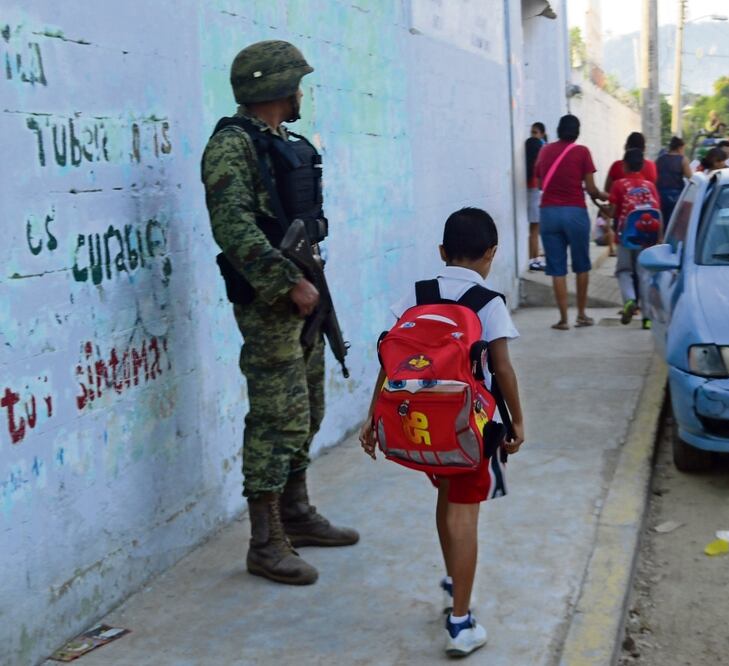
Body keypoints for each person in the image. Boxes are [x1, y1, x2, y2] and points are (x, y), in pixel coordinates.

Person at [201, 40, 359, 587]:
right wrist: (286, 281)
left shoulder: (281, 143)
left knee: (307, 407)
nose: (300, 95)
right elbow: (233, 226)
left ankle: (296, 513)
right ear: (276, 87)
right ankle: (265, 543)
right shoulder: (231, 146)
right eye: (296, 84)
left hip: (304, 294)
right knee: (275, 417)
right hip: (271, 302)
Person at [360, 208, 525, 658]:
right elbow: (503, 369)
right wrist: (517, 421)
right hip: (468, 427)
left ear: (441, 251)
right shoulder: (487, 302)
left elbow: (389, 359)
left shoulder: (416, 295)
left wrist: (373, 416)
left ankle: (455, 578)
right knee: (464, 512)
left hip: (423, 425)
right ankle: (460, 622)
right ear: (491, 253)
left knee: (447, 497)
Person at [534, 114, 609, 330]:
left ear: (559, 129)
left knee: (557, 268)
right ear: (577, 131)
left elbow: (540, 184)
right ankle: (582, 315)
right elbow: (591, 189)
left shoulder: (544, 151)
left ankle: (563, 319)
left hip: (549, 213)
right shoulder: (582, 152)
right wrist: (604, 196)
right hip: (575, 213)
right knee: (581, 265)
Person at [608, 148, 661, 329]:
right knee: (644, 274)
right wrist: (659, 237)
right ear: (642, 166)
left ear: (624, 165)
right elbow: (657, 211)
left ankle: (630, 300)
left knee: (624, 271)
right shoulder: (650, 186)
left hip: (626, 236)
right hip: (647, 237)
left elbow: (612, 212)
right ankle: (647, 318)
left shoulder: (619, 185)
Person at [602, 132, 658, 256]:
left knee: (625, 258)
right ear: (644, 148)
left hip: (623, 222)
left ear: (626, 146)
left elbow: (607, 191)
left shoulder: (617, 166)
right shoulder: (651, 167)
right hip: (646, 221)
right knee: (642, 258)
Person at [526, 122, 547, 271]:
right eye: (532, 132)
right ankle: (533, 259)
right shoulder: (538, 147)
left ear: (542, 133)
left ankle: (535, 258)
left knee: (535, 227)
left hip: (536, 190)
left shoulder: (539, 147)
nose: (533, 135)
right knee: (535, 227)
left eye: (535, 132)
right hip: (535, 190)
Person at [655, 136, 692, 220]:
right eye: (683, 149)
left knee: (662, 219)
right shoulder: (683, 160)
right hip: (676, 195)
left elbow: (655, 176)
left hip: (660, 194)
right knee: (675, 219)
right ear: (679, 148)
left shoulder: (660, 159)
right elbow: (690, 176)